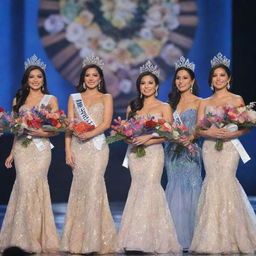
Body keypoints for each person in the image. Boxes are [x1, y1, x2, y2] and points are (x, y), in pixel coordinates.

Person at [190, 53, 256, 254]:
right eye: (215, 76)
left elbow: (247, 125)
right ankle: (211, 238)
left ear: (228, 79)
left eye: (222, 75)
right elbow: (198, 128)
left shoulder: (237, 99)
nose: (218, 79)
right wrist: (209, 131)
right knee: (212, 183)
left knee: (227, 182)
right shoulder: (204, 101)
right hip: (210, 147)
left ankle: (234, 236)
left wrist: (234, 132)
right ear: (211, 80)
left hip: (229, 147)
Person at [117, 60, 182, 254]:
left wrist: (148, 139)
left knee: (151, 189)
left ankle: (154, 239)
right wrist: (131, 140)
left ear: (157, 86)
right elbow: (126, 135)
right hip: (137, 154)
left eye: (150, 83)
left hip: (153, 153)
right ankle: (134, 238)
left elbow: (171, 134)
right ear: (139, 87)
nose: (146, 86)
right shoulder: (133, 107)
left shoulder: (164, 107)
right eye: (142, 83)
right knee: (137, 189)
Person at [0, 55, 59, 253]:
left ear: (44, 80)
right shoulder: (19, 99)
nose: (35, 80)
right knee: (24, 187)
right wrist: (11, 152)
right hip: (23, 150)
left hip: (41, 149)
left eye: (39, 77)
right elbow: (17, 129)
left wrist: (40, 132)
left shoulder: (51, 100)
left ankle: (36, 238)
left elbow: (57, 129)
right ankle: (21, 238)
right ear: (26, 79)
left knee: (37, 188)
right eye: (31, 77)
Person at [61, 55, 116, 254]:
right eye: (88, 75)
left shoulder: (106, 97)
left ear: (100, 78)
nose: (91, 78)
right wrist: (67, 149)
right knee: (80, 190)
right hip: (78, 147)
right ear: (83, 78)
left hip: (98, 147)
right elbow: (69, 125)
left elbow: (106, 123)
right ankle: (78, 241)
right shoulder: (74, 98)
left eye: (95, 75)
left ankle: (94, 241)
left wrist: (89, 134)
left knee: (94, 187)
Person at [165, 56, 202, 250]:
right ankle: (175, 238)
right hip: (172, 151)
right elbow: (166, 128)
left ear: (192, 81)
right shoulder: (170, 104)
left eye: (185, 78)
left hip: (191, 151)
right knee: (175, 187)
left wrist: (191, 137)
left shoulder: (199, 102)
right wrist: (172, 137)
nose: (181, 81)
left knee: (192, 187)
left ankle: (194, 237)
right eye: (178, 78)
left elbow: (202, 127)